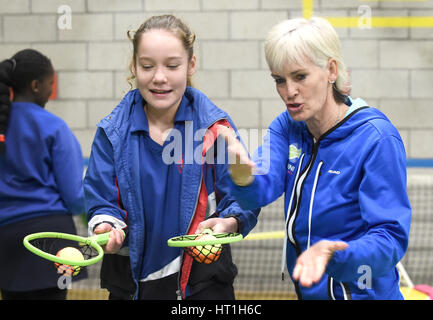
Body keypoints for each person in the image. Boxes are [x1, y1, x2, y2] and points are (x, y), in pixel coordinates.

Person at [208, 17, 411, 300]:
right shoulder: (286, 126)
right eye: (280, 80)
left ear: (331, 70)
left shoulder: (376, 138)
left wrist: (334, 254)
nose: (289, 92)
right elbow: (263, 189)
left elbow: (390, 239)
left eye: (300, 76)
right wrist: (243, 177)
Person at [83, 14, 260, 300]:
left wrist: (227, 224)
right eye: (147, 66)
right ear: (134, 66)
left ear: (191, 65)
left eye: (172, 65)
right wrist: (106, 226)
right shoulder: (111, 132)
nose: (159, 77)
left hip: (203, 288)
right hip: (130, 288)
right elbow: (102, 200)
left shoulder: (217, 129)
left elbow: (241, 200)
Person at [0, 49, 86, 300]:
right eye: (51, 84)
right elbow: (74, 196)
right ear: (36, 85)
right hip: (52, 236)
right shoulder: (54, 127)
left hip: (6, 237)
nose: (51, 90)